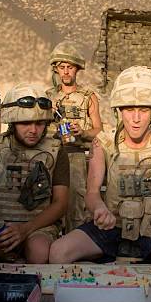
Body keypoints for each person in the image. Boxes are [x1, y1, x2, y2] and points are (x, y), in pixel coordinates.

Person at [49, 66, 151, 275]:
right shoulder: (103, 142)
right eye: (129, 109)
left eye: (143, 110)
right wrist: (99, 210)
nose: (136, 118)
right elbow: (92, 193)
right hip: (111, 228)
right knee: (58, 252)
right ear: (119, 110)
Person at [0, 83, 69, 264]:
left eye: (40, 123)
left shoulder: (56, 151)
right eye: (25, 123)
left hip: (38, 227)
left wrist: (25, 229)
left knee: (39, 251)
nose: (33, 130)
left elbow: (60, 203)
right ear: (12, 122)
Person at [46, 41, 102, 232]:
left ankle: (74, 245)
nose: (66, 72)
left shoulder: (88, 96)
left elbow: (98, 129)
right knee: (48, 200)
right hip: (52, 156)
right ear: (56, 70)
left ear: (77, 69)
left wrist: (83, 132)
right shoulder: (47, 97)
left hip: (76, 157)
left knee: (77, 204)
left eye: (70, 67)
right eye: (62, 67)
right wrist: (46, 113)